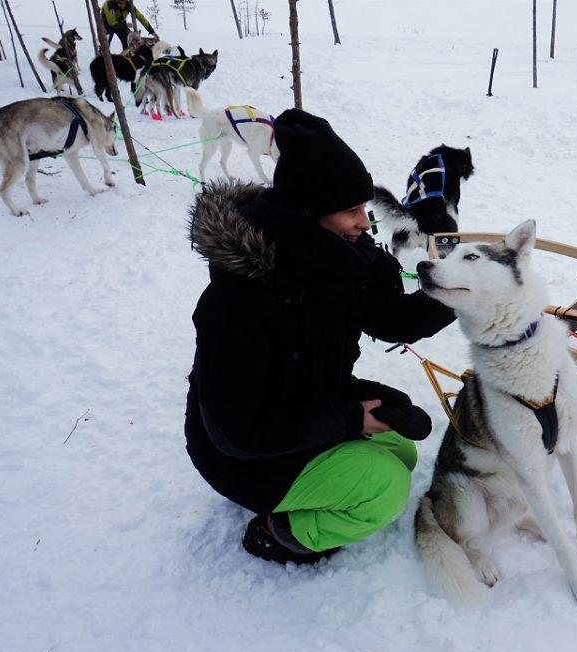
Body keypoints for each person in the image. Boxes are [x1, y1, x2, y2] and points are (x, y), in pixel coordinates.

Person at [184, 109, 456, 564]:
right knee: (384, 488)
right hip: (239, 454)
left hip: (296, 410)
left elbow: (391, 320)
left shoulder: (336, 259)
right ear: (309, 215)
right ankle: (279, 532)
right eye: (350, 211)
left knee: (400, 452)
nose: (365, 224)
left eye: (363, 209)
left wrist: (461, 293)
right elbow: (239, 431)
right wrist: (350, 419)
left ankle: (320, 483)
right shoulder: (238, 301)